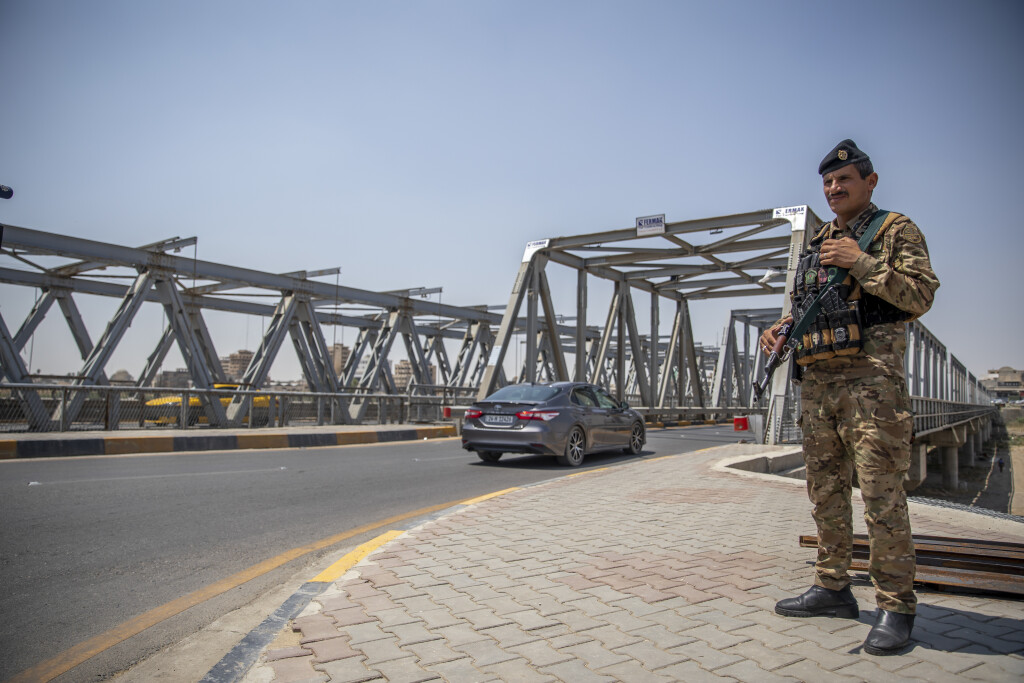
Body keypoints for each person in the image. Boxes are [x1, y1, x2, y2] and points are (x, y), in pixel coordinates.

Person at [761, 139, 939, 656]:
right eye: (828, 183)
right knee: (826, 493)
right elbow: (807, 305)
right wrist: (780, 328)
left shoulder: (894, 231)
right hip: (818, 385)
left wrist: (862, 262)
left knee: (882, 497)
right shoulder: (818, 239)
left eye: (844, 181)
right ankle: (833, 587)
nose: (834, 189)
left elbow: (920, 296)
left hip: (872, 386)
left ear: (870, 182)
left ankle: (895, 605)